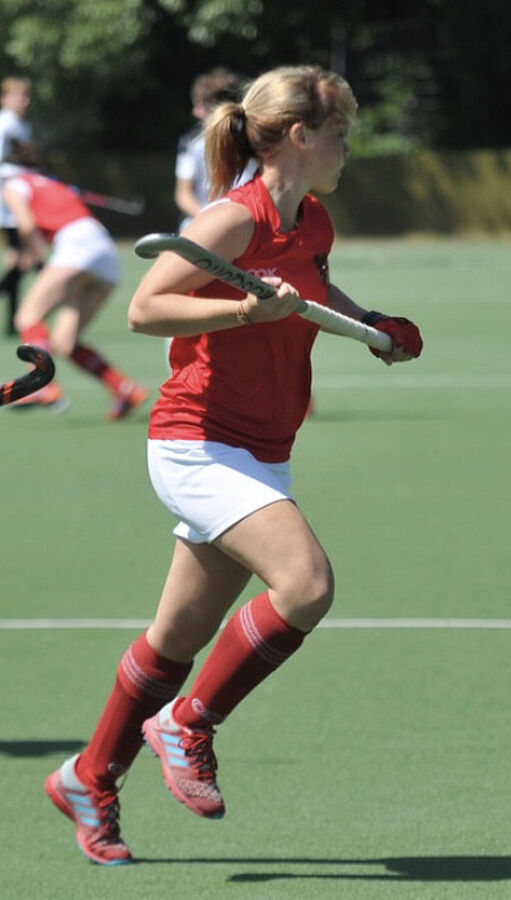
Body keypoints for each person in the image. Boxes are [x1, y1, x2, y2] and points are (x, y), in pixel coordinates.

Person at [44, 64, 423, 865]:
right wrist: (243, 309)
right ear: (298, 136)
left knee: (174, 638)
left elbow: (318, 287)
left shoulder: (309, 218)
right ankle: (190, 724)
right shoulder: (231, 219)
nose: (346, 148)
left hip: (262, 447)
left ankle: (89, 777)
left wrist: (376, 325)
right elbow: (148, 308)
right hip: (197, 440)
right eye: (339, 133)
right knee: (306, 585)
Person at [2, 166, 148, 417]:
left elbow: (26, 227)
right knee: (64, 343)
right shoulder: (45, 183)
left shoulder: (12, 186)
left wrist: (40, 263)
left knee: (27, 317)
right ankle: (124, 388)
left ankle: (40, 386)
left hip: (75, 247)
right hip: (104, 253)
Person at [174, 67, 258, 232]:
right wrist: (209, 220)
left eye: (197, 105)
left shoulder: (255, 138)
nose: (194, 112)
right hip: (204, 224)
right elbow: (184, 194)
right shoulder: (191, 142)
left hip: (249, 224)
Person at [0, 76, 38, 336]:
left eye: (25, 96)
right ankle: (15, 319)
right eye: (17, 96)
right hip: (7, 199)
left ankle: (12, 320)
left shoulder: (22, 126)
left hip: (19, 196)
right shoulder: (4, 125)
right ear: (5, 98)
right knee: (24, 257)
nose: (23, 101)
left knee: (18, 258)